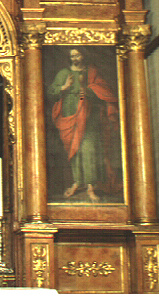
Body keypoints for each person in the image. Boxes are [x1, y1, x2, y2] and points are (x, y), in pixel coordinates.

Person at [48, 48, 120, 202]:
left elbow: (105, 92)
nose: (75, 58)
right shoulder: (64, 73)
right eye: (72, 56)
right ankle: (78, 182)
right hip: (69, 115)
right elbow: (51, 92)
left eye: (77, 55)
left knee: (89, 149)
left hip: (89, 116)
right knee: (74, 150)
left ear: (83, 55)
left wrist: (89, 92)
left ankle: (91, 185)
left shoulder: (91, 72)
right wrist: (64, 87)